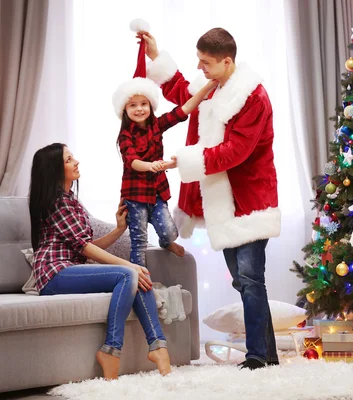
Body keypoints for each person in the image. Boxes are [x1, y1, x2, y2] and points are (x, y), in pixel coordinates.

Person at [141, 28, 281, 370]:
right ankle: (269, 354)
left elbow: (235, 152)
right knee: (243, 279)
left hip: (249, 201)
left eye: (205, 63)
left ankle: (257, 357)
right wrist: (156, 54)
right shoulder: (214, 88)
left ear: (226, 61)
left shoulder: (253, 98)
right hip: (225, 202)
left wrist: (185, 160)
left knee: (249, 279)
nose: (200, 68)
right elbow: (180, 90)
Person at [28, 143, 170, 380]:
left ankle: (159, 349)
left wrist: (118, 229)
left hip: (71, 268)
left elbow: (86, 245)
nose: (76, 162)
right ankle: (111, 350)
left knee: (138, 276)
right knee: (129, 273)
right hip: (53, 275)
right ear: (54, 169)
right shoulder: (57, 202)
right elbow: (86, 248)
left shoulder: (71, 200)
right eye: (68, 159)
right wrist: (129, 265)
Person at [112, 25, 217, 267]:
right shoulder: (125, 135)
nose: (139, 109)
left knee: (170, 232)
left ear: (151, 106)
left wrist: (208, 87)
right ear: (125, 111)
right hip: (135, 196)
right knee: (138, 240)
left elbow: (185, 109)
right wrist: (152, 165)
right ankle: (139, 277)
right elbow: (133, 162)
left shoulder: (157, 125)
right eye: (132, 105)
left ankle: (166, 241)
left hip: (157, 192)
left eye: (143, 104)